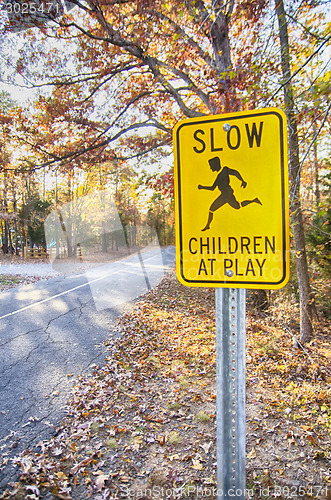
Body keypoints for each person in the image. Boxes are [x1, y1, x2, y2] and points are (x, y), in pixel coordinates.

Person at [198, 156, 262, 231]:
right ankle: (208, 226)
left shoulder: (225, 170)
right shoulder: (218, 176)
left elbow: (235, 172)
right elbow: (212, 188)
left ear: (215, 164)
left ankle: (254, 200)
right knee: (211, 209)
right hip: (223, 196)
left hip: (228, 195)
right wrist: (202, 187)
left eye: (211, 166)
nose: (210, 168)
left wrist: (242, 180)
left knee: (238, 206)